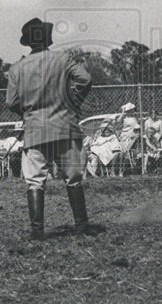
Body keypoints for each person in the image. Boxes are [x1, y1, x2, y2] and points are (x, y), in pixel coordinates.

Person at [6, 16, 97, 241]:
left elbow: (11, 102)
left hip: (35, 130)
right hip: (65, 126)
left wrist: (28, 111)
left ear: (28, 42)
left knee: (35, 180)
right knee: (73, 178)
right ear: (47, 38)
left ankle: (37, 231)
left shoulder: (17, 68)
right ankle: (81, 226)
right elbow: (85, 79)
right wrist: (72, 100)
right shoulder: (63, 59)